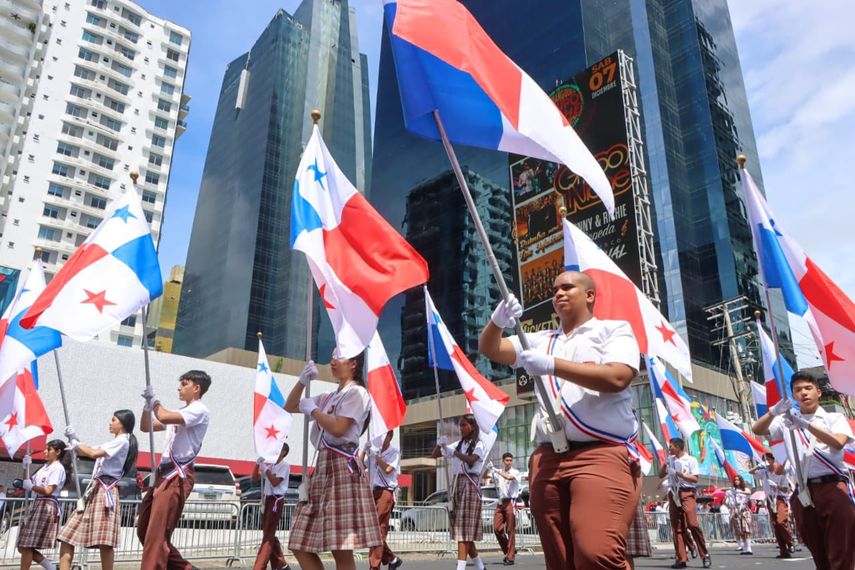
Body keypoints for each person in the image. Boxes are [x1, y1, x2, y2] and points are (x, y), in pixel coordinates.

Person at [479, 271, 641, 569]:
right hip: (549, 456)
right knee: (560, 558)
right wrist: (497, 321)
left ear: (589, 295)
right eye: (555, 290)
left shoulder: (613, 329)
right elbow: (491, 348)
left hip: (601, 452)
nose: (558, 294)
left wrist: (552, 365)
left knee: (596, 553)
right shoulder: (540, 340)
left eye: (567, 287)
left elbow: (618, 377)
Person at [285, 351, 381, 570]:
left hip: (341, 465)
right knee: (299, 542)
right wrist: (302, 381)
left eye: (338, 357)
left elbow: (339, 428)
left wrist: (314, 411)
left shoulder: (357, 392)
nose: (332, 361)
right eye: (332, 356)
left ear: (353, 364)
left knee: (341, 548)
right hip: (323, 466)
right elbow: (289, 405)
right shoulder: (328, 396)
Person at [752, 370, 854, 570]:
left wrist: (805, 425)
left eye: (808, 388)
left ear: (818, 392)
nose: (804, 393)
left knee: (840, 554)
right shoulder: (787, 421)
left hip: (832, 487)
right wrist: (773, 412)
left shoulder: (833, 418)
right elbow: (758, 429)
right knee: (819, 554)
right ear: (793, 395)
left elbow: (838, 442)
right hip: (804, 492)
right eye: (798, 390)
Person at [137, 371, 211, 570]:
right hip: (163, 474)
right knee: (144, 530)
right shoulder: (180, 412)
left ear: (196, 388)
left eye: (184, 384)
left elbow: (163, 415)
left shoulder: (199, 410)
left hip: (177, 474)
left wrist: (155, 401)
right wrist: (147, 406)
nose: (179, 388)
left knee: (157, 535)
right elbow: (146, 426)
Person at [57, 410, 138, 570]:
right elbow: (87, 451)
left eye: (113, 420)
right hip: (95, 489)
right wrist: (75, 439)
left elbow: (93, 453)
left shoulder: (122, 441)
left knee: (104, 542)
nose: (110, 423)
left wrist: (76, 443)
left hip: (105, 490)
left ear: (123, 423)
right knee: (67, 536)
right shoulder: (113, 442)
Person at [432, 414, 486, 570]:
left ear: (472, 427)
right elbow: (435, 455)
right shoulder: (458, 444)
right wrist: (440, 444)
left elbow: (471, 460)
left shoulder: (479, 444)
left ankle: (460, 568)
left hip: (470, 485)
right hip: (457, 484)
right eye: (460, 425)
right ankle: (480, 567)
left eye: (464, 425)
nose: (461, 428)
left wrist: (453, 452)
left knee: (463, 531)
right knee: (462, 530)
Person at [16, 439, 68, 570]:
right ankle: (51, 568)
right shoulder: (44, 467)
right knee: (23, 545)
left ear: (58, 452)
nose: (45, 451)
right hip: (38, 503)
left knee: (26, 545)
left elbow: (49, 490)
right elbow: (28, 481)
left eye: (49, 449)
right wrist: (26, 466)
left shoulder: (57, 468)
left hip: (47, 504)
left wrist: (32, 487)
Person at [659, 438, 710, 569]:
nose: (669, 449)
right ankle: (681, 558)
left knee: (692, 524)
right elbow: (660, 475)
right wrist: (665, 464)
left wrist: (680, 474)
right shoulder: (670, 460)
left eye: (671, 446)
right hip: (674, 494)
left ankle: (704, 554)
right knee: (677, 527)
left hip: (687, 492)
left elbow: (695, 479)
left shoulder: (691, 460)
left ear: (678, 447)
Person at [361, 430, 403, 570]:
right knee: (371, 529)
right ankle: (392, 558)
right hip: (373, 492)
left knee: (378, 530)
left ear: (390, 436)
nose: (380, 437)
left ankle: (374, 566)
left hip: (386, 492)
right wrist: (364, 450)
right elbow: (359, 466)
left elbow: (388, 469)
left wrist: (376, 456)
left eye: (383, 434)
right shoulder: (374, 452)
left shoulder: (394, 452)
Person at [251, 442, 292, 570]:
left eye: (278, 449)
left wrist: (266, 469)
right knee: (268, 533)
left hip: (276, 501)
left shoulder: (285, 466)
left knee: (268, 536)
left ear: (284, 452)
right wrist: (258, 464)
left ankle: (259, 566)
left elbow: (275, 482)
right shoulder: (272, 465)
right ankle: (281, 564)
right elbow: (254, 478)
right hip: (267, 499)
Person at [750, 452, 794, 558]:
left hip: (780, 498)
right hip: (770, 499)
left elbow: (787, 490)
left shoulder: (781, 472)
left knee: (781, 521)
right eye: (765, 460)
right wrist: (758, 466)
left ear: (773, 460)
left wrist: (777, 486)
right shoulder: (764, 472)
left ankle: (790, 542)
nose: (767, 461)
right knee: (775, 525)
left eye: (768, 459)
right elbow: (750, 472)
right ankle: (783, 551)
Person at [490, 452, 521, 566]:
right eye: (507, 460)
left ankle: (510, 557)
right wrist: (489, 468)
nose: (509, 462)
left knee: (510, 529)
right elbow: (486, 476)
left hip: (510, 502)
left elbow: (509, 477)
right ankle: (509, 550)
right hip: (501, 502)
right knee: (497, 528)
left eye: (510, 460)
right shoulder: (499, 472)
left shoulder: (516, 472)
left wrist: (496, 471)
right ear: (503, 461)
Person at [724, 475, 753, 555]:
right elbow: (725, 491)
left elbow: (749, 492)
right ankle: (745, 548)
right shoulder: (733, 490)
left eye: (738, 480)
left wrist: (739, 491)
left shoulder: (745, 489)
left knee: (746, 528)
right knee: (740, 530)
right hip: (736, 510)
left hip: (744, 510)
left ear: (741, 481)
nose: (736, 481)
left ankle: (749, 548)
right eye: (735, 480)